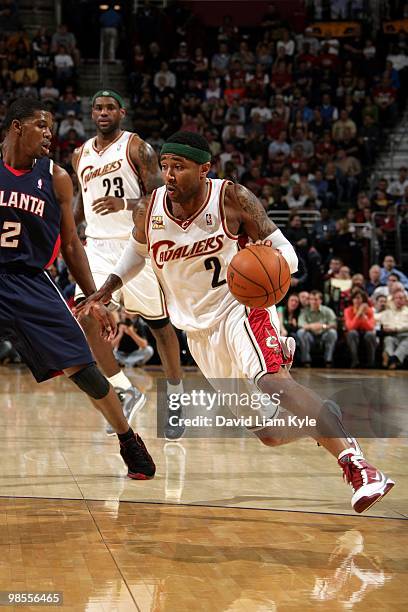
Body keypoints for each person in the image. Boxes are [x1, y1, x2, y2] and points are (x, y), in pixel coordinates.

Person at [77, 131, 394, 514]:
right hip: (197, 331)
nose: (169, 174)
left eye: (179, 166)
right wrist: (106, 289)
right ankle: (326, 417)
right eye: (164, 166)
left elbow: (288, 257)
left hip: (240, 309)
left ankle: (359, 466)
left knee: (273, 382)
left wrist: (266, 263)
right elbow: (136, 254)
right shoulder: (150, 208)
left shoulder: (231, 198)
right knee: (270, 435)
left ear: (204, 169)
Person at [0, 98, 155, 480]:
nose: (50, 133)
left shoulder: (56, 177)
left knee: (82, 368)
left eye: (50, 126)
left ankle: (128, 438)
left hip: (30, 282)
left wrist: (92, 298)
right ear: (17, 127)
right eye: (41, 125)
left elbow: (71, 245)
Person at [72, 89, 183, 438]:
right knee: (86, 316)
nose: (103, 113)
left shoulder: (138, 148)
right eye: (98, 108)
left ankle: (175, 397)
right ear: (92, 114)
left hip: (135, 244)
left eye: (109, 108)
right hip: (98, 248)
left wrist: (123, 204)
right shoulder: (79, 155)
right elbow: (80, 204)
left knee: (159, 325)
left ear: (121, 112)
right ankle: (123, 388)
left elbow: (158, 196)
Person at [297, 291, 338, 367]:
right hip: (310, 336)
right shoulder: (304, 311)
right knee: (300, 332)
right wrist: (312, 326)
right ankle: (306, 361)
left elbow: (334, 325)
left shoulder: (328, 311)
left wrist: (323, 326)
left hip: (324, 335)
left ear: (321, 300)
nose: (313, 302)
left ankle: (328, 360)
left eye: (316, 299)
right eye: (311, 299)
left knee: (333, 332)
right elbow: (301, 324)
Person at [343, 289, 377, 368]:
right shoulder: (348, 311)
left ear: (363, 300)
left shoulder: (370, 311)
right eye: (355, 298)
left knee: (370, 335)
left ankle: (371, 362)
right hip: (354, 332)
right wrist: (358, 314)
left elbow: (370, 327)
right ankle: (355, 361)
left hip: (366, 332)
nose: (357, 300)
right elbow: (350, 327)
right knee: (352, 333)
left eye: (359, 298)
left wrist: (363, 316)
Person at [377, 290, 408, 369]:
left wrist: (396, 329)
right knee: (388, 340)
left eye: (401, 298)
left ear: (405, 300)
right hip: (391, 335)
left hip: (405, 335)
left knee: (406, 343)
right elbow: (383, 323)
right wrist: (387, 328)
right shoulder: (387, 312)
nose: (398, 300)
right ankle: (393, 360)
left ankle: (391, 359)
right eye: (396, 298)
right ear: (393, 300)